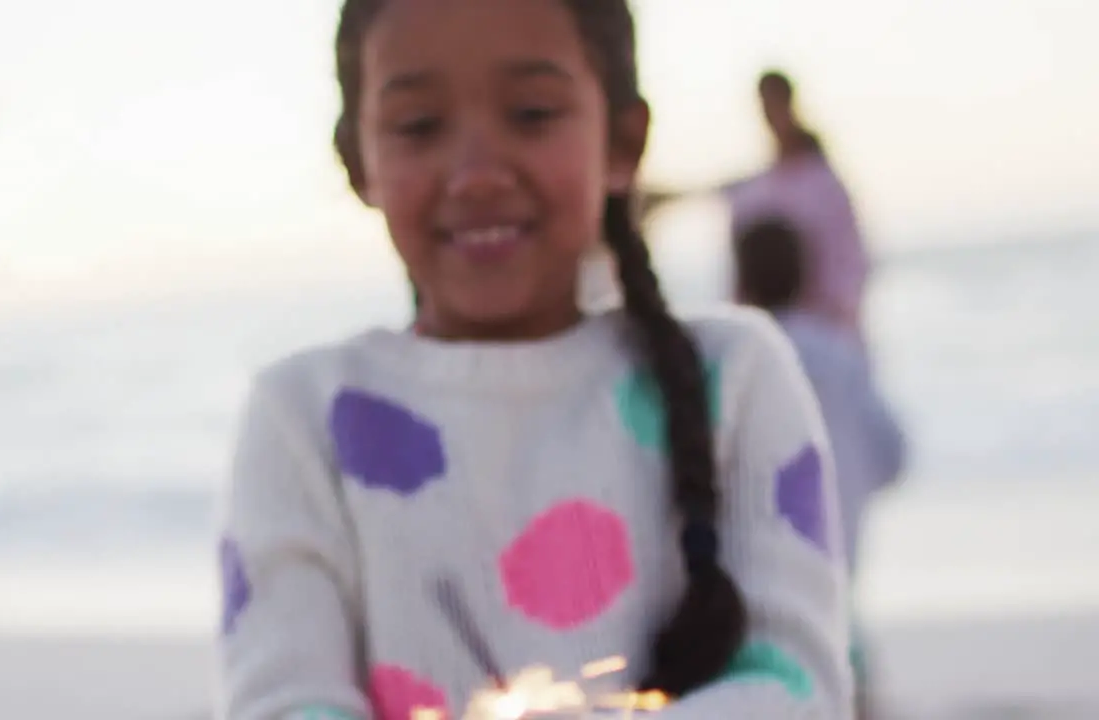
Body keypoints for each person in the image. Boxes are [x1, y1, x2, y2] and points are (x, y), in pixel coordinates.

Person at [216, 2, 852, 719]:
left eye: (532, 113)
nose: (478, 173)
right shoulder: (302, 420)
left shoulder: (736, 379)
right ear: (357, 160)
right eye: (421, 125)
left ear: (622, 141)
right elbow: (283, 701)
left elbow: (796, 689)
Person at [732, 218, 907, 719]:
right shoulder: (838, 354)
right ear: (808, 278)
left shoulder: (737, 360)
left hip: (751, 606)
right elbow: (893, 455)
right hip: (836, 584)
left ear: (740, 281)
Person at [721, 71, 871, 344]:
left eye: (774, 103)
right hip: (774, 334)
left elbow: (851, 266)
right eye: (765, 105)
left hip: (824, 329)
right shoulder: (760, 189)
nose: (770, 114)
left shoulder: (822, 184)